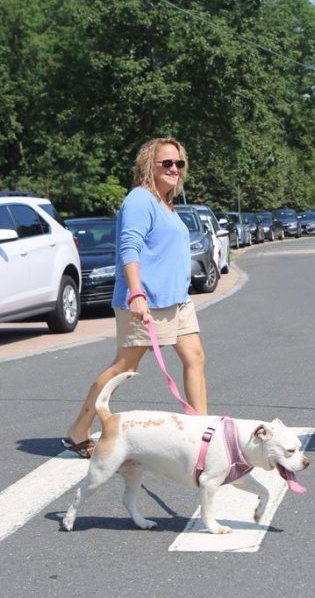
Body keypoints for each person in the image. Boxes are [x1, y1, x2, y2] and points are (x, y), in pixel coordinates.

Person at [63, 137, 208, 458]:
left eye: (179, 163)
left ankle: (201, 433)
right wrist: (136, 292)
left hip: (177, 301)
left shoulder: (167, 204)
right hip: (147, 301)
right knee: (124, 367)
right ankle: (78, 429)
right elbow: (129, 247)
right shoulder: (140, 200)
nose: (174, 168)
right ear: (149, 166)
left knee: (195, 357)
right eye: (166, 163)